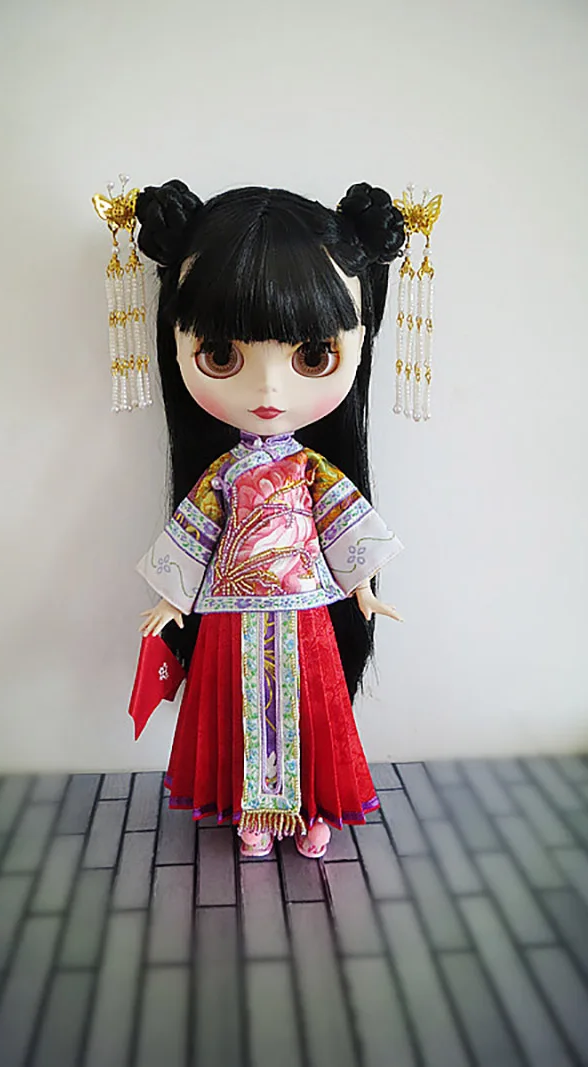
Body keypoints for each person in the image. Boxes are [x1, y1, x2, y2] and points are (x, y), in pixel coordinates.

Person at [134, 180, 405, 858]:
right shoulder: (223, 474)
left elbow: (343, 522)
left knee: (311, 705)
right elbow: (195, 530)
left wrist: (362, 586)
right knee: (241, 709)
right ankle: (252, 809)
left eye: (311, 356)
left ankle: (315, 806)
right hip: (230, 610)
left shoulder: (313, 470)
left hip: (307, 604)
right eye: (223, 356)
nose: (268, 390)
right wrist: (173, 597)